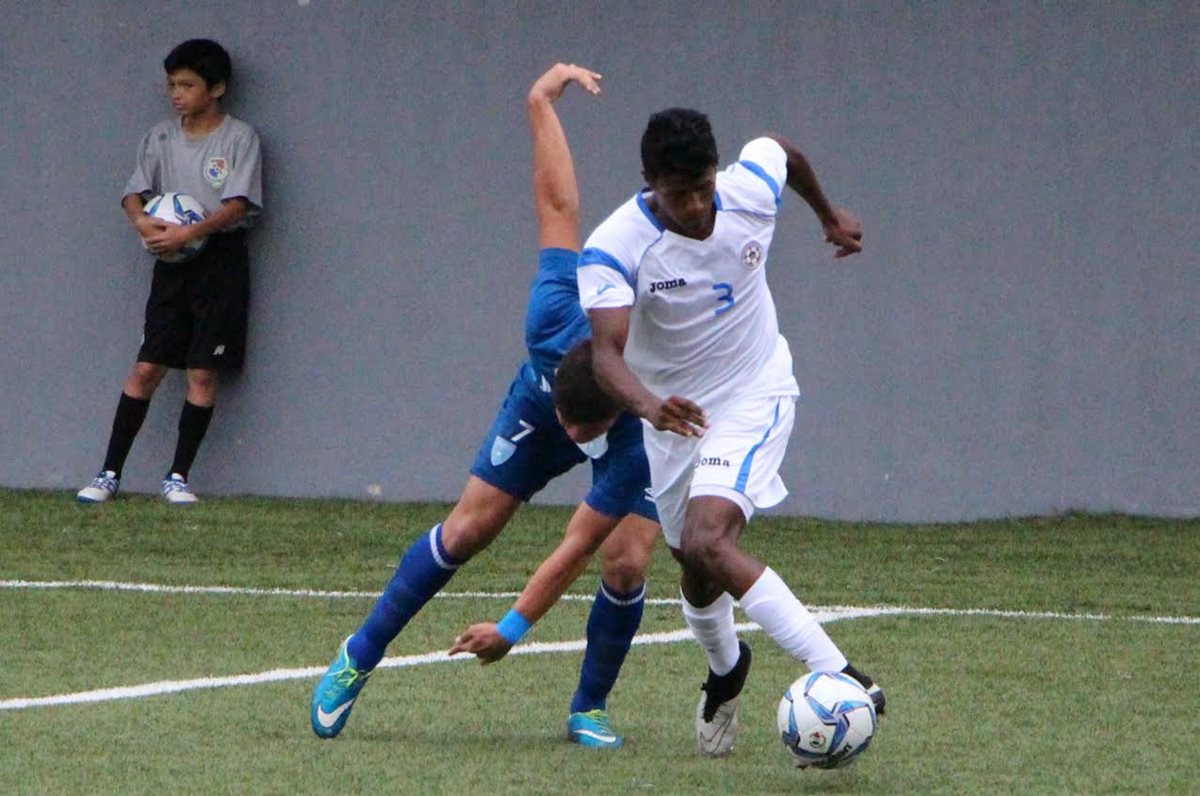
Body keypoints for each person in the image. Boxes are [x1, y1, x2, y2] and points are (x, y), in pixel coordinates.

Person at [310, 63, 659, 750]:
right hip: (538, 391)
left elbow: (574, 545)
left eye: (578, 429)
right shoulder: (555, 314)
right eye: (569, 422)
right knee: (467, 531)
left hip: (632, 430)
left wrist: (512, 627)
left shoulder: (639, 418)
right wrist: (538, 103)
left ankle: (588, 706)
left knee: (624, 561)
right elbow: (558, 207)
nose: (570, 435)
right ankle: (359, 654)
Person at [574, 108, 885, 757]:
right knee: (693, 563)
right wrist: (650, 408)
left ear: (717, 173)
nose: (693, 205)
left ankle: (843, 677)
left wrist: (827, 215)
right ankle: (726, 670)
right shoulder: (616, 245)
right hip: (672, 418)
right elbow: (606, 354)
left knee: (710, 540)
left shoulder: (746, 190)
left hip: (753, 390)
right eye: (676, 193)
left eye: (702, 187)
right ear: (648, 182)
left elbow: (783, 151)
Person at [76, 38, 263, 505]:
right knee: (146, 366)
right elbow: (133, 192)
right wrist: (143, 222)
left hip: (219, 262)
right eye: (172, 85)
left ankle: (177, 477)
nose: (176, 93)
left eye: (187, 84)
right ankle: (108, 473)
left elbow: (239, 203)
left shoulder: (239, 139)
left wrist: (192, 231)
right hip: (170, 265)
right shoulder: (160, 137)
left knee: (202, 371)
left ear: (216, 88)